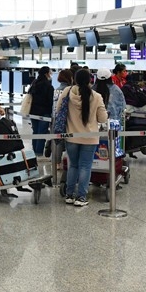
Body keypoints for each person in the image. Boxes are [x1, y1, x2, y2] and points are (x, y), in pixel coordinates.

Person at [57, 68, 108, 207]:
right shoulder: (96, 96)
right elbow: (102, 118)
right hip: (90, 137)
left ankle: (69, 195)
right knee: (85, 166)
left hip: (71, 137)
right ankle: (81, 197)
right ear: (90, 80)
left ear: (75, 79)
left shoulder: (67, 92)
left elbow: (58, 110)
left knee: (73, 165)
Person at [27, 66, 54, 159]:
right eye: (50, 73)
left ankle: (34, 152)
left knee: (35, 132)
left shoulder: (34, 83)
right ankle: (39, 153)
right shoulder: (48, 86)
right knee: (41, 133)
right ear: (46, 74)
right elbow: (50, 101)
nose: (51, 74)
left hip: (33, 111)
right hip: (44, 112)